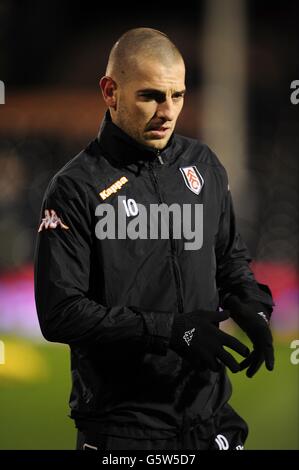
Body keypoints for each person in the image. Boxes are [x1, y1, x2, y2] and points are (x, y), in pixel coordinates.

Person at [34, 27, 275, 451]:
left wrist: (252, 304)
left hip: (210, 418)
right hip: (124, 431)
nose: (168, 111)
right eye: (151, 96)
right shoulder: (75, 187)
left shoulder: (203, 164)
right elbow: (60, 313)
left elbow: (229, 259)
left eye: (177, 95)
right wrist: (171, 331)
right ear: (110, 92)